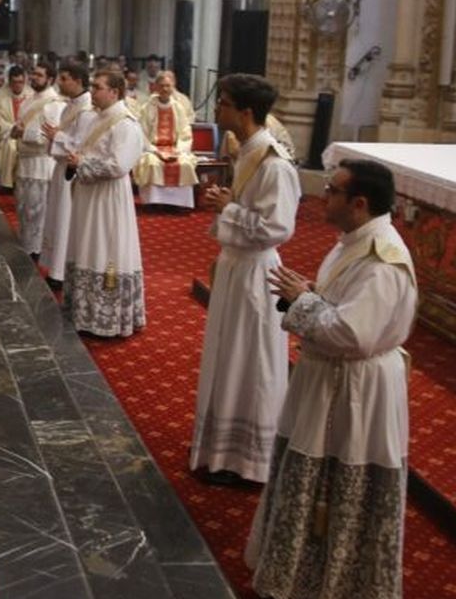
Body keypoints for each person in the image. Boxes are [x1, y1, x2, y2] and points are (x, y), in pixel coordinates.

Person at [248, 160, 416, 599]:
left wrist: (304, 298)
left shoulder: (382, 261)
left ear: (359, 203)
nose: (324, 196)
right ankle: (305, 578)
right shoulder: (356, 244)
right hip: (331, 381)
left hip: (356, 390)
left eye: (333, 190)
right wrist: (309, 295)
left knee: (338, 486)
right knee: (315, 475)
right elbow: (337, 309)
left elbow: (352, 334)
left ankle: (339, 593)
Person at [190, 74, 300, 485]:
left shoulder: (274, 164)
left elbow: (279, 227)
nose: (217, 109)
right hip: (238, 266)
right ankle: (222, 450)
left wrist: (228, 208)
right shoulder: (248, 151)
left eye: (224, 102)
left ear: (246, 112)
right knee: (227, 355)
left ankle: (249, 460)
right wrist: (230, 207)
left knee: (251, 362)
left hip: (258, 273)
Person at [64, 68, 146, 337]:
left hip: (108, 198)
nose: (93, 90)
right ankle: (83, 310)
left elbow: (119, 165)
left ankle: (106, 319)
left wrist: (82, 162)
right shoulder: (96, 118)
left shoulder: (125, 124)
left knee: (104, 246)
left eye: (98, 87)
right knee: (86, 244)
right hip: (89, 193)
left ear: (115, 92)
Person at [40, 62, 93, 289]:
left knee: (65, 219)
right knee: (56, 217)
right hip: (60, 168)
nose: (59, 83)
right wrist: (55, 137)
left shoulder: (88, 109)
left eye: (64, 78)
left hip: (73, 170)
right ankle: (55, 267)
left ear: (78, 81)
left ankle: (61, 273)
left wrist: (57, 136)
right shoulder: (69, 106)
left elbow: (83, 144)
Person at [10, 63, 65, 263]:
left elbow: (48, 136)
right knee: (24, 208)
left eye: (39, 75)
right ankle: (25, 246)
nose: (33, 77)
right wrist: (15, 131)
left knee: (37, 211)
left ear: (50, 79)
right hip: (25, 162)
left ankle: (36, 251)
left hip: (41, 165)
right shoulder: (27, 100)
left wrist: (22, 133)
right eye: (33, 73)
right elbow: (19, 126)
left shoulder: (55, 104)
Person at [133, 70, 199, 208]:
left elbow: (185, 133)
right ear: (156, 86)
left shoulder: (179, 107)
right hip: (153, 149)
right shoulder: (147, 108)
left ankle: (179, 204)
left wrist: (178, 151)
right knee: (152, 164)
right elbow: (141, 133)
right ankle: (154, 202)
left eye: (168, 86)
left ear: (173, 86)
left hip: (175, 149)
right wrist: (155, 150)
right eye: (162, 85)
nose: (165, 89)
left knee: (185, 164)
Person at [0, 65, 32, 189]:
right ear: (9, 81)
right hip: (8, 134)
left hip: (26, 133)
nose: (18, 85)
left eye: (21, 82)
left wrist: (23, 129)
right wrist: (12, 129)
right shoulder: (1, 95)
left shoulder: (31, 95)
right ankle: (7, 183)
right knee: (11, 147)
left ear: (25, 81)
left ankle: (23, 180)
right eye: (15, 82)